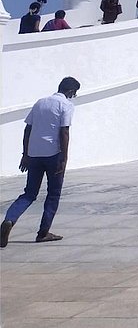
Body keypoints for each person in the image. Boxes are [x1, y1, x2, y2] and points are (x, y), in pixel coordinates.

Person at [2, 77, 81, 247]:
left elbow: (27, 129)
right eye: (74, 93)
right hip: (54, 155)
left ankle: (9, 220)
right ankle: (43, 233)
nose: (73, 96)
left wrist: (25, 154)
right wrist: (64, 158)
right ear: (70, 91)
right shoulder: (66, 105)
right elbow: (64, 131)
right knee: (53, 194)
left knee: (29, 194)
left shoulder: (40, 102)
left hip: (34, 154)